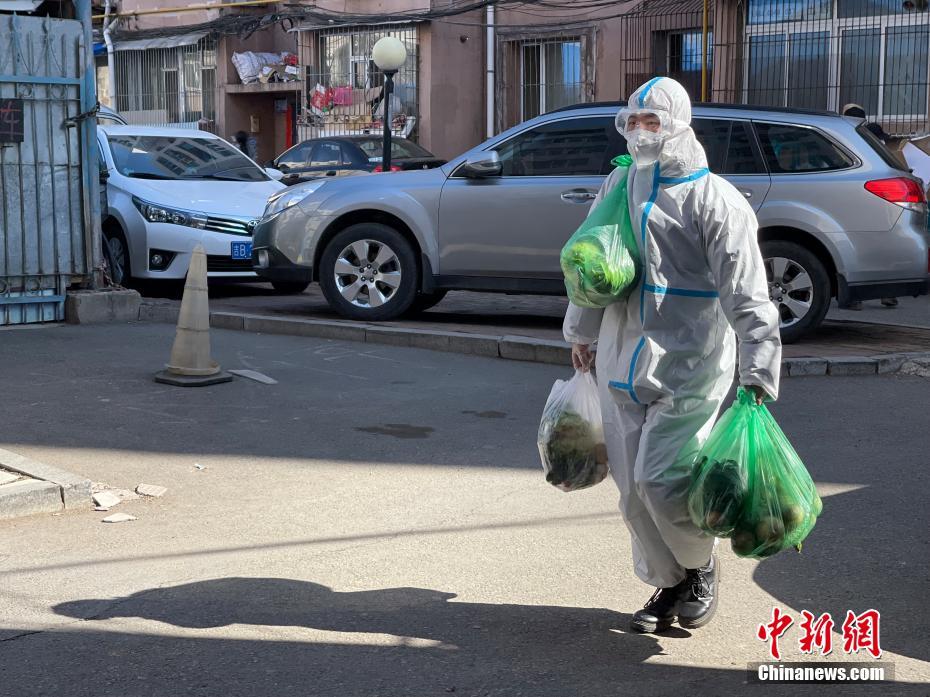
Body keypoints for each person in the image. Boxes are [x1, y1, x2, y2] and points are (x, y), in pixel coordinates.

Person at [564, 77, 781, 634]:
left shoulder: (716, 199)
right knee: (632, 493)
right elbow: (592, 261)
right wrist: (581, 332)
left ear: (678, 125)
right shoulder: (619, 184)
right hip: (620, 353)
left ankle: (699, 564)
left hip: (690, 359)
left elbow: (747, 292)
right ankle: (671, 581)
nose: (641, 133)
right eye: (633, 121)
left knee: (662, 480)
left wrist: (758, 367)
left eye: (653, 122)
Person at [841, 104, 904, 309]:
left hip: (858, 202)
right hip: (883, 204)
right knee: (882, 247)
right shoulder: (879, 144)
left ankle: (855, 296)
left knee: (855, 248)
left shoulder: (846, 140)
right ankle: (887, 293)